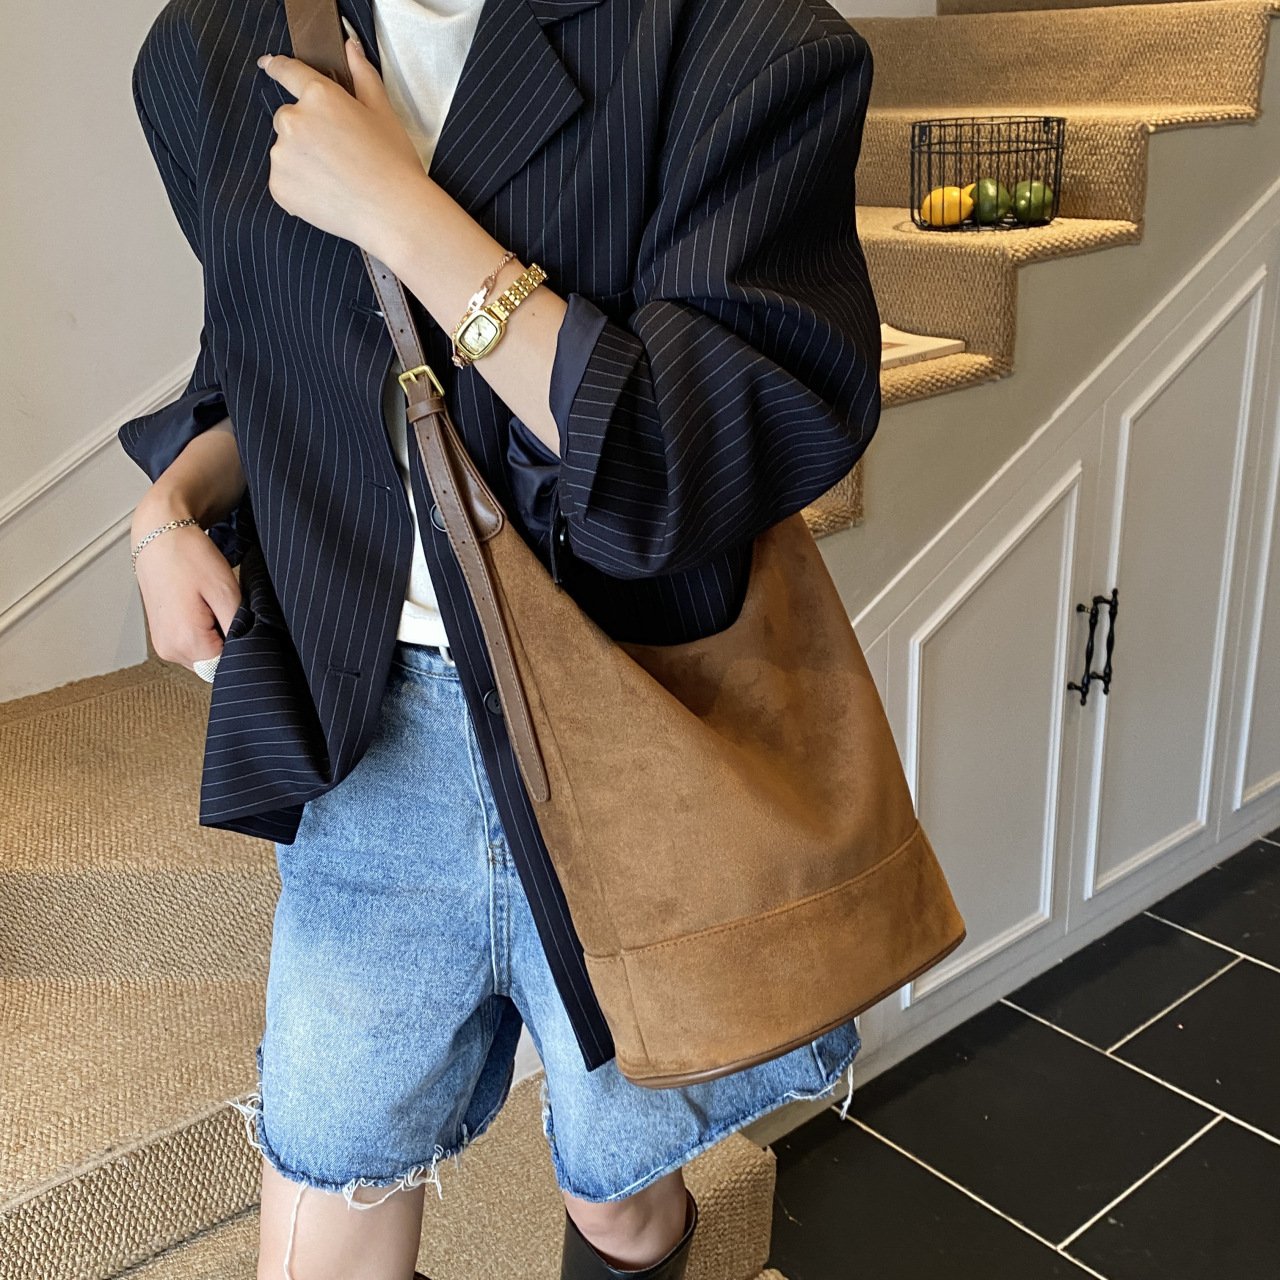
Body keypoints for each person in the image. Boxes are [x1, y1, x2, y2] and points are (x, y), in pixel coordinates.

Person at [122, 0, 881, 1276]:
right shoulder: (212, 42)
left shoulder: (739, 34)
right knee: (321, 1213)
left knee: (617, 1197)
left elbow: (694, 456)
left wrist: (402, 214)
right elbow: (276, 363)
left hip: (632, 732)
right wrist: (167, 510)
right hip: (370, 739)